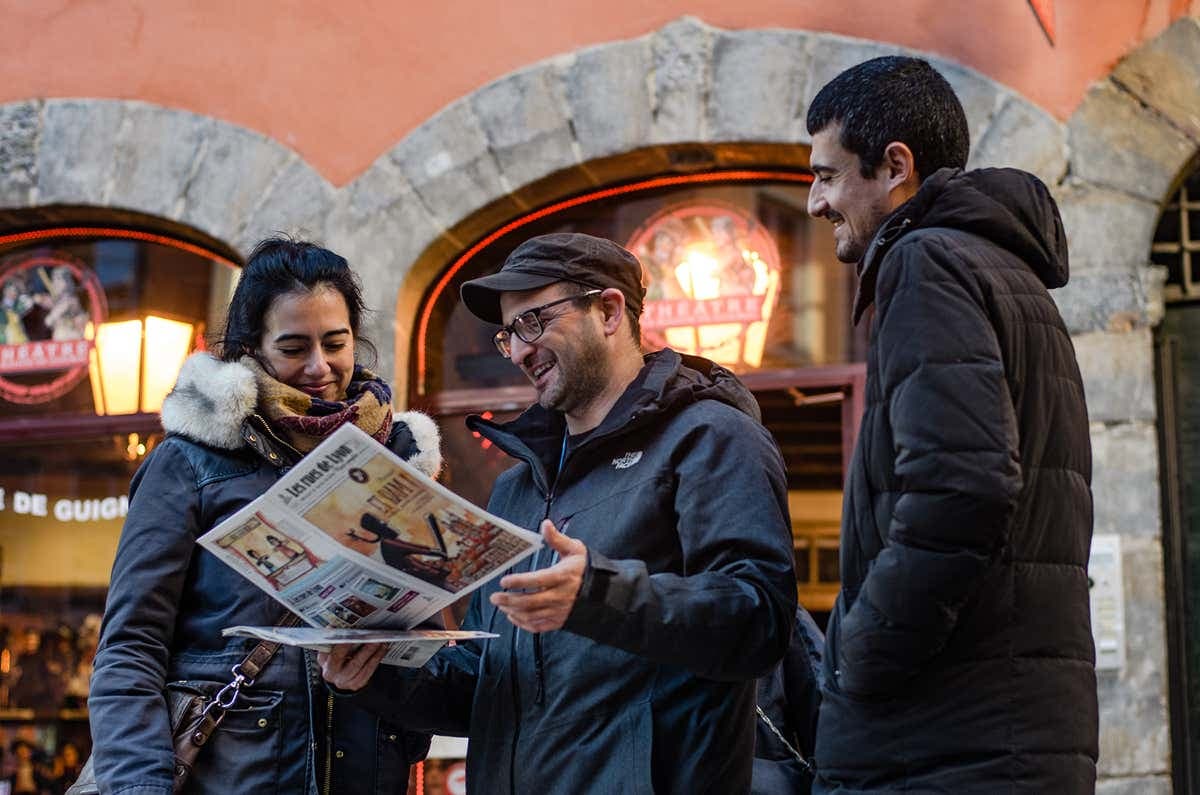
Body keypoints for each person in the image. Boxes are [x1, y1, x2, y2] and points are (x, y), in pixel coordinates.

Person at [322, 232, 797, 793]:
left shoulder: (711, 438)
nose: (519, 352)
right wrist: (374, 673)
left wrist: (599, 594)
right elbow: (485, 686)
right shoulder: (516, 488)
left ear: (609, 311)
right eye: (508, 335)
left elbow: (759, 619)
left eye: (534, 322)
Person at [804, 56, 1097, 792]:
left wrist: (859, 655)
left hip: (939, 745)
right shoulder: (1003, 272)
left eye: (827, 176)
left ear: (895, 167)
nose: (814, 203)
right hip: (1000, 736)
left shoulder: (924, 261)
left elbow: (962, 487)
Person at [87, 238, 443, 794]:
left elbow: (434, 662)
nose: (320, 367)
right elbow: (131, 649)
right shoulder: (191, 463)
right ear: (251, 349)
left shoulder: (396, 457)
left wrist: (382, 679)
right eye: (294, 347)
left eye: (336, 343)